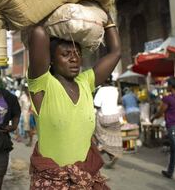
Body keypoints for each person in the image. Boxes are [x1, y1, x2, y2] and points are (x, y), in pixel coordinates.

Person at [27, 13, 121, 189]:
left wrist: (107, 17)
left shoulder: (86, 82)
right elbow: (39, 33)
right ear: (51, 61)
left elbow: (115, 52)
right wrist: (53, 8)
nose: (74, 58)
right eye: (66, 54)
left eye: (78, 53)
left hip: (85, 180)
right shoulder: (42, 84)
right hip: (52, 181)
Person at [93, 78, 123, 168]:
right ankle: (111, 153)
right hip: (115, 116)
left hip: (104, 117)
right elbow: (118, 102)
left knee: (96, 132)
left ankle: (104, 148)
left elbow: (96, 105)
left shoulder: (101, 90)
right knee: (112, 136)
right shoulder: (115, 90)